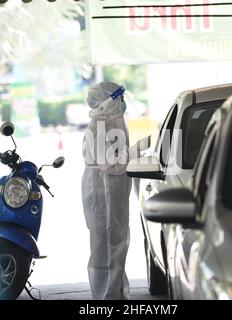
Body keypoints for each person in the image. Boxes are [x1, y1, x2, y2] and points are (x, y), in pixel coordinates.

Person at [81, 82, 150, 300]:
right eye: (117, 98)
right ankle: (106, 297)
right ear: (106, 103)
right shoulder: (99, 127)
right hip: (103, 192)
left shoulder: (111, 122)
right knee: (106, 245)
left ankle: (116, 293)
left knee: (116, 243)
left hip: (113, 190)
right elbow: (110, 163)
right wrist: (138, 150)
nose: (121, 103)